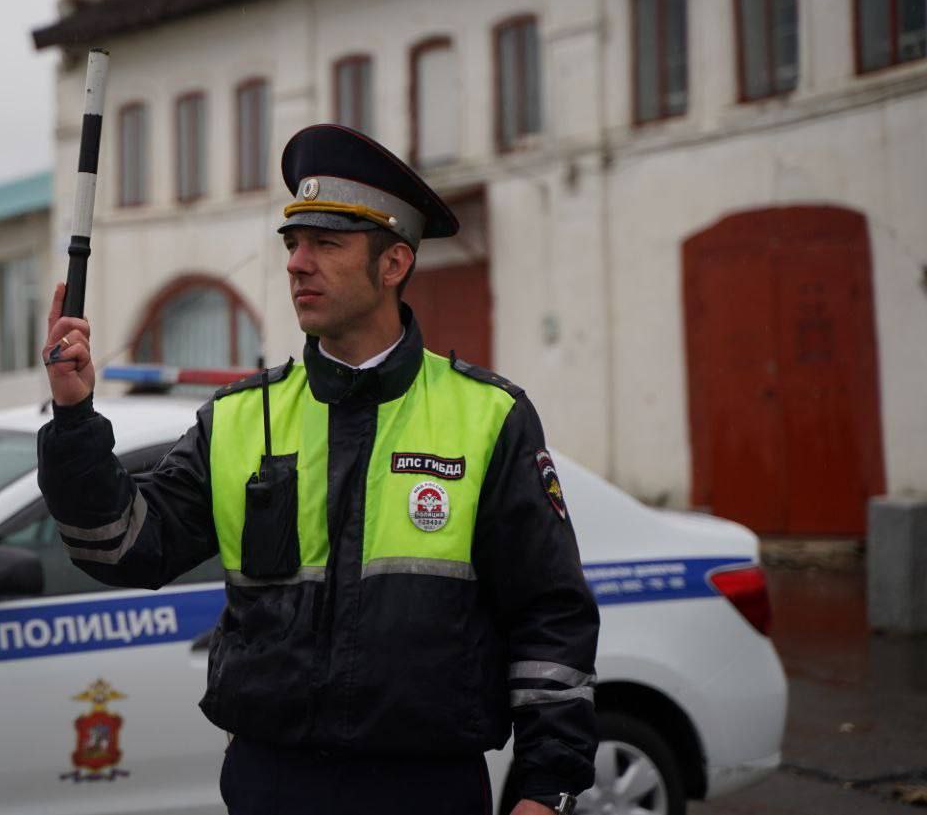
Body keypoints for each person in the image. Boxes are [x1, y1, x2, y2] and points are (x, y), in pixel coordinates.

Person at [38, 123, 599, 815]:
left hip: (427, 790)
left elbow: (550, 615)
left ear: (393, 264)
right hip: (272, 786)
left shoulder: (489, 416)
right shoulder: (240, 418)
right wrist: (74, 418)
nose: (297, 263)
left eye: (326, 243)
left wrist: (547, 790)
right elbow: (120, 544)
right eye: (293, 243)